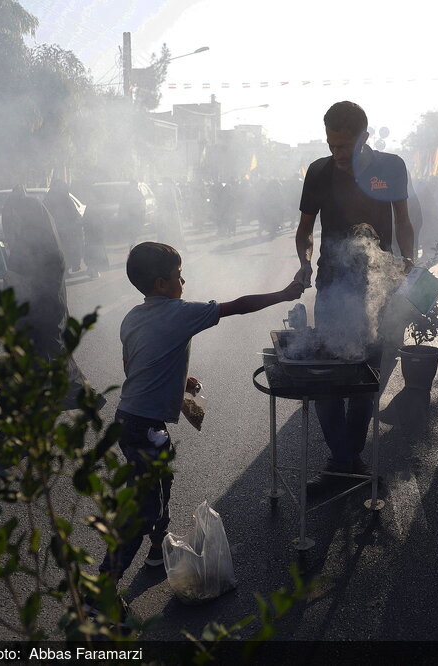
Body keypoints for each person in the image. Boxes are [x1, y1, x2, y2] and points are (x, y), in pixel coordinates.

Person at [99, 241, 302, 579]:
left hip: (128, 421)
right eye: (179, 276)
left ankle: (156, 549)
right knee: (145, 507)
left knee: (159, 485)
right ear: (162, 284)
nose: (184, 282)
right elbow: (237, 306)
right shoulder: (180, 313)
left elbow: (135, 364)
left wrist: (178, 383)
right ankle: (105, 585)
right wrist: (283, 294)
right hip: (146, 428)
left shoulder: (132, 317)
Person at [295, 100, 416, 475]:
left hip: (378, 286)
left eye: (344, 145)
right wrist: (303, 262)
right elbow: (305, 232)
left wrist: (408, 261)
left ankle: (346, 457)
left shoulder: (391, 167)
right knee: (327, 372)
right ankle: (343, 456)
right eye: (332, 144)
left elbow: (403, 222)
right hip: (331, 283)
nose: (337, 153)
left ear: (364, 137)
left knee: (367, 373)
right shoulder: (318, 171)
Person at [0, 186, 96, 418]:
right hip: (36, 313)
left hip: (42, 312)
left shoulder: (44, 251)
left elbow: (37, 285)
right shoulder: (34, 245)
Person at [45, 179, 84, 273]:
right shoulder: (59, 197)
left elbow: (73, 213)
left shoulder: (52, 197)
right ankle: (66, 268)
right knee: (66, 250)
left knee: (66, 250)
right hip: (61, 230)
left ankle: (67, 268)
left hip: (62, 230)